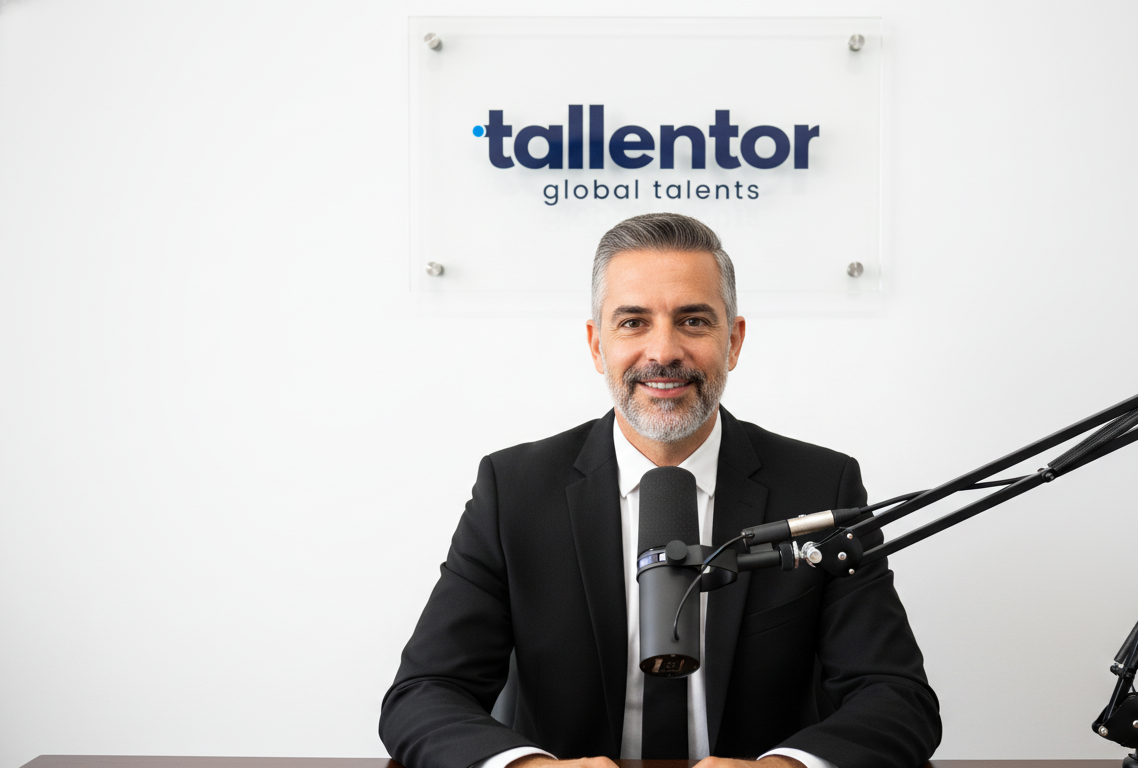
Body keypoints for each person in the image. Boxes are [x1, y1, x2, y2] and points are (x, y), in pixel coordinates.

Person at [380, 213, 941, 768]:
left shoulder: (821, 486)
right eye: (633, 322)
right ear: (597, 345)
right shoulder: (514, 492)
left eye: (693, 321)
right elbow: (424, 692)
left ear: (733, 341)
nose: (664, 351)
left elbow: (896, 697)